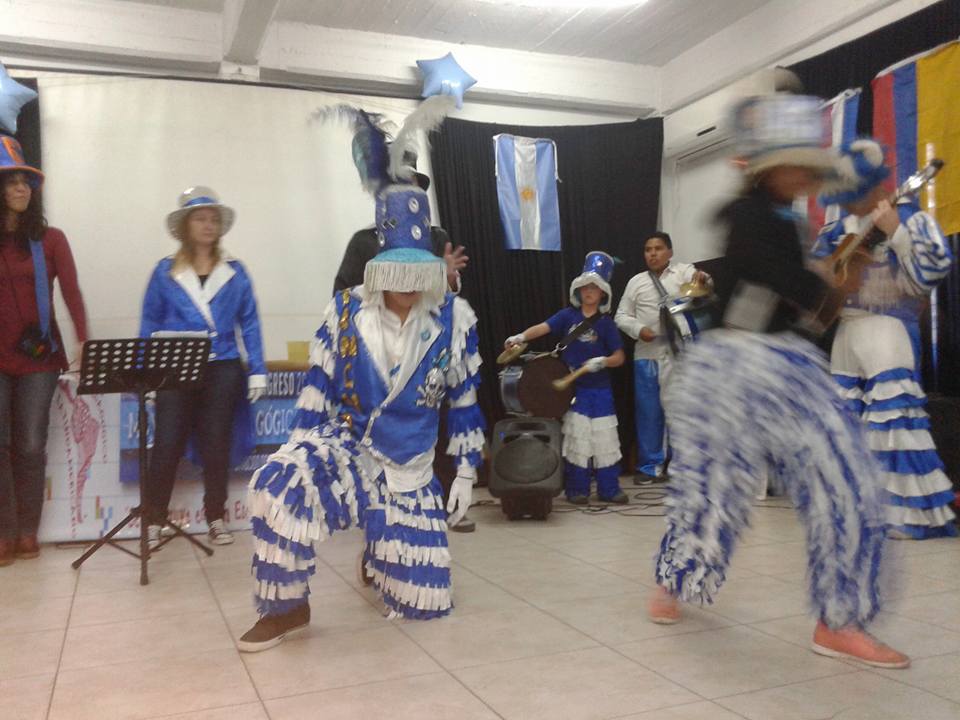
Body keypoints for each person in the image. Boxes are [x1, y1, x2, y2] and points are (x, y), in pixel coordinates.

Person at [648, 93, 910, 669]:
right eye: (796, 165)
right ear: (770, 168)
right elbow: (780, 278)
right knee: (712, 491)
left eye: (809, 167)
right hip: (729, 370)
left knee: (847, 478)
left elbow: (810, 312)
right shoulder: (745, 216)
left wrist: (843, 275)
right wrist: (832, 279)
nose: (805, 177)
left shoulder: (790, 220)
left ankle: (840, 619)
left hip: (786, 363)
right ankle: (673, 579)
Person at [238, 98, 484, 652]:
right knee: (278, 484)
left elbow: (466, 399)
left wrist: (467, 472)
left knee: (427, 606)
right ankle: (286, 608)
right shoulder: (345, 310)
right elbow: (317, 390)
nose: (407, 284)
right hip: (350, 448)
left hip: (411, 464)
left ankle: (382, 547)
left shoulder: (455, 319)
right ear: (378, 266)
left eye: (418, 272)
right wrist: (300, 457)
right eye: (396, 271)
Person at [812, 139, 956, 539]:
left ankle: (907, 516)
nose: (850, 203)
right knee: (844, 422)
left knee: (894, 416)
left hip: (886, 326)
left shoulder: (910, 218)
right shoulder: (835, 231)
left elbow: (931, 272)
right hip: (846, 331)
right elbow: (817, 286)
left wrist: (896, 232)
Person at [333, 162, 475, 533]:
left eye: (412, 184)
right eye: (398, 183)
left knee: (431, 427)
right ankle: (376, 528)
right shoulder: (363, 241)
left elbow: (446, 294)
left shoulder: (437, 236)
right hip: (377, 345)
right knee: (374, 458)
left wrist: (446, 278)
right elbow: (343, 295)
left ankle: (441, 503)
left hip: (423, 345)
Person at [139, 186, 267, 549]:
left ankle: (215, 517)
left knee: (216, 444)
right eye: (200, 218)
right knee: (166, 443)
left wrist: (257, 369)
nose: (208, 225)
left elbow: (250, 322)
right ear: (185, 226)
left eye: (213, 219)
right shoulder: (165, 271)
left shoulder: (235, 272)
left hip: (223, 368)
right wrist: (146, 375)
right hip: (175, 367)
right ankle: (154, 519)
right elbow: (149, 323)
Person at [0, 136, 88, 565]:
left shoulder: (51, 239)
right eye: (11, 181)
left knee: (30, 444)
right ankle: (3, 533)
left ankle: (27, 531)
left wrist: (83, 340)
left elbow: (71, 292)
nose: (22, 188)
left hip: (38, 357)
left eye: (26, 182)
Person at [505, 252, 627, 504]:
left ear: (602, 293)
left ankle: (609, 489)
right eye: (586, 287)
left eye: (594, 287)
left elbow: (619, 357)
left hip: (601, 391)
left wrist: (603, 361)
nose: (589, 291)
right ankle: (577, 490)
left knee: (605, 440)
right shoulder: (567, 316)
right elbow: (543, 327)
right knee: (577, 440)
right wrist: (521, 337)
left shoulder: (606, 324)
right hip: (573, 391)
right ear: (579, 290)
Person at [615, 232, 709, 484]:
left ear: (669, 252)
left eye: (658, 248)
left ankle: (682, 467)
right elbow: (621, 316)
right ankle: (650, 468)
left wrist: (703, 278)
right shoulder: (636, 282)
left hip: (679, 353)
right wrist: (638, 330)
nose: (653, 253)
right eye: (648, 249)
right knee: (648, 413)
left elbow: (704, 283)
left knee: (681, 410)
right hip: (646, 355)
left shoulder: (682, 272)